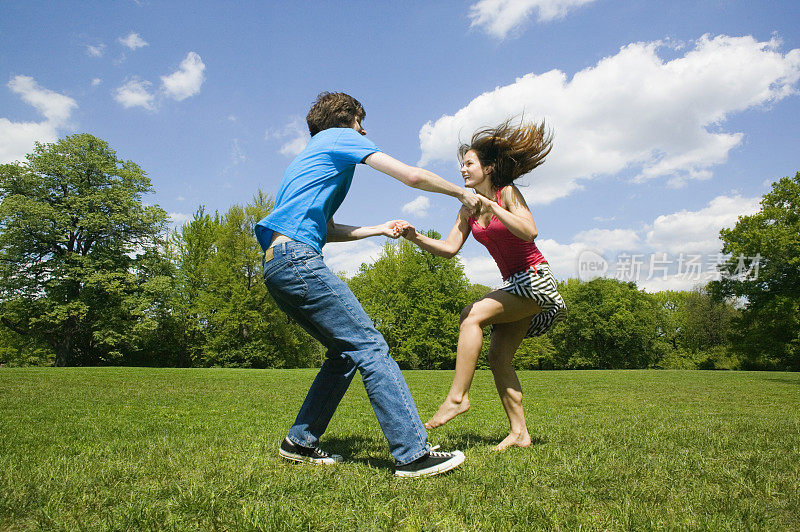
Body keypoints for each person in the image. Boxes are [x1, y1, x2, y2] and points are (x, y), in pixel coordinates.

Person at [255, 92, 479, 477]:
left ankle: (300, 441)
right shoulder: (340, 137)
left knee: (343, 354)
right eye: (361, 121)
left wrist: (377, 228)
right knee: (370, 345)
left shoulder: (309, 157)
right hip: (298, 260)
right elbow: (410, 175)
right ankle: (413, 454)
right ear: (346, 119)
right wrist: (461, 193)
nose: (364, 129)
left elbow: (324, 229)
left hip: (277, 264)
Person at [399, 119, 567, 451]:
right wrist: (414, 236)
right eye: (461, 164)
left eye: (469, 163)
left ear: (488, 168)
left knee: (470, 315)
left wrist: (492, 206)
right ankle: (520, 433)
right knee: (499, 358)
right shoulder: (467, 209)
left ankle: (458, 397)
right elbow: (448, 249)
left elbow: (530, 231)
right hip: (513, 284)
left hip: (535, 280)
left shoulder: (507, 193)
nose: (463, 169)